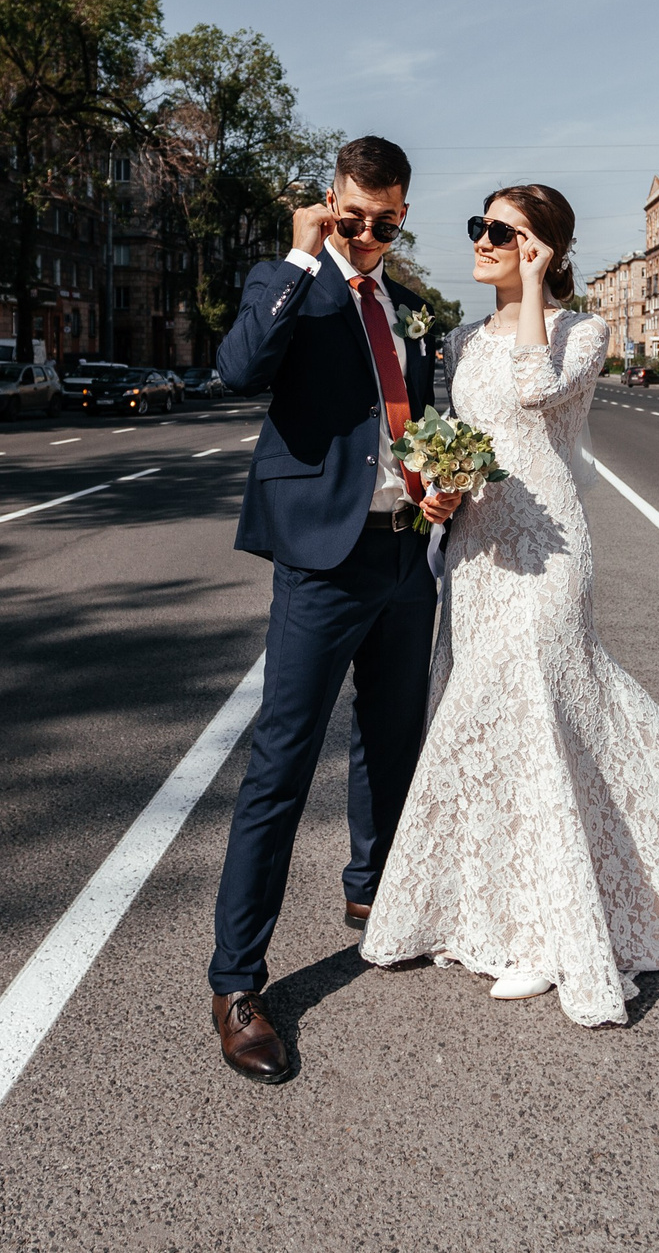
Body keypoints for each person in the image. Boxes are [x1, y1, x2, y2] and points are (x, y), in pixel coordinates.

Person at [360, 183, 659, 1026]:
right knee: (489, 723)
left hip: (549, 552)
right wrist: (437, 489)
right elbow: (458, 440)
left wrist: (533, 293)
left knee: (538, 707)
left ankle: (548, 936)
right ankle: (492, 909)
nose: (481, 241)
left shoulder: (584, 331)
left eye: (500, 231)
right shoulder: (461, 339)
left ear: (540, 247)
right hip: (477, 549)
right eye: (479, 226)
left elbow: (536, 391)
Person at [206, 135, 458, 1083]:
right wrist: (303, 253)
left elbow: (411, 422)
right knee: (281, 762)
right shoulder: (294, 281)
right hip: (321, 560)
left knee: (393, 741)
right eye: (353, 217)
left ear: (402, 215)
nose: (367, 235)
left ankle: (374, 893)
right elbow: (239, 370)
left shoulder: (409, 304)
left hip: (403, 553)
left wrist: (438, 485)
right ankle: (237, 984)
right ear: (329, 203)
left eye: (384, 222)